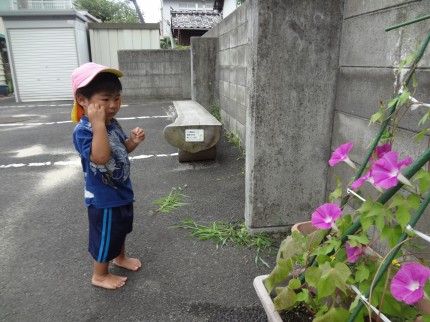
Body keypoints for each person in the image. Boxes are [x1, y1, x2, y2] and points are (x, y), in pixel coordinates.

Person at [71, 62, 145, 289]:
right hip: (103, 197)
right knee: (104, 236)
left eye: (117, 98)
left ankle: (120, 257)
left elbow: (119, 150)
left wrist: (131, 141)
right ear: (83, 100)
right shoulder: (84, 131)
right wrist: (98, 124)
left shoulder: (111, 123)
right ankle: (100, 275)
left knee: (120, 229)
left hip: (121, 190)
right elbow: (101, 157)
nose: (113, 105)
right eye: (105, 99)